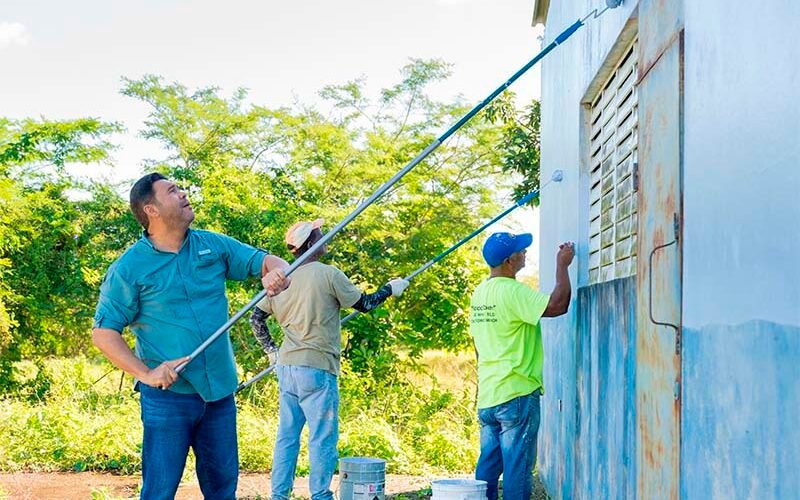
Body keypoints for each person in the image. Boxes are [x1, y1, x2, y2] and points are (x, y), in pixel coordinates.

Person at [91, 172, 290, 500]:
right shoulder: (129, 268)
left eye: (180, 188)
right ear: (152, 210)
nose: (183, 194)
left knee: (223, 490)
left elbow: (267, 261)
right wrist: (147, 374)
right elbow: (103, 333)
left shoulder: (213, 245)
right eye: (172, 191)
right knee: (159, 492)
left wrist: (277, 273)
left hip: (219, 395)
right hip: (168, 398)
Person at [249, 218, 409, 500]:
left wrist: (272, 351)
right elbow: (365, 304)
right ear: (311, 243)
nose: (326, 237)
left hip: (287, 367)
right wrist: (390, 289)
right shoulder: (328, 274)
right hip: (318, 367)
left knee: (287, 436)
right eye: (320, 234)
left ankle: (279, 495)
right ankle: (320, 495)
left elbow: (256, 318)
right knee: (322, 437)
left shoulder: (282, 277)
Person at [470, 232, 575, 500]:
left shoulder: (479, 294)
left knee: (487, 468)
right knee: (517, 469)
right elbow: (558, 305)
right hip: (516, 393)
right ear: (509, 261)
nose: (525, 253)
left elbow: (478, 343)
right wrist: (562, 265)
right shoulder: (512, 291)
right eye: (520, 250)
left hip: (489, 394)